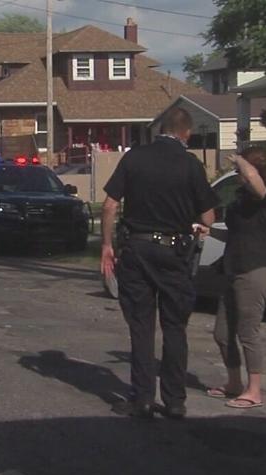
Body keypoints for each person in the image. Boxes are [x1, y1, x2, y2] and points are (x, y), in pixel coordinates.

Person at [101, 108, 219, 419]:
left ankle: (141, 398)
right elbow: (209, 216)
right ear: (187, 134)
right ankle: (175, 400)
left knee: (141, 326)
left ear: (160, 130)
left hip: (137, 248)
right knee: (175, 327)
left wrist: (106, 246)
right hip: (174, 252)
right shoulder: (191, 164)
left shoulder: (135, 158)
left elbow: (110, 204)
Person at [199, 147, 266, 409]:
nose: (237, 173)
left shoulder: (265, 196)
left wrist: (241, 160)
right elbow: (235, 235)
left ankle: (254, 390)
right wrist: (209, 232)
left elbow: (256, 181)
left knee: (247, 332)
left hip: (255, 270)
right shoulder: (242, 199)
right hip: (233, 269)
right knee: (222, 333)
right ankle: (233, 382)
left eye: (240, 169)